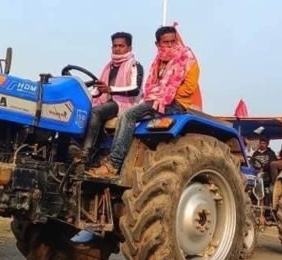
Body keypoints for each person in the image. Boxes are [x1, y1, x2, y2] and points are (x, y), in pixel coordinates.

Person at [86, 25, 199, 178]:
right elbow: (150, 85)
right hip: (155, 100)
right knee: (107, 115)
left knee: (128, 115)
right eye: (166, 42)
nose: (171, 45)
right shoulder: (158, 61)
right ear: (158, 44)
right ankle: (93, 156)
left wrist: (166, 95)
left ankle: (113, 164)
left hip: (175, 103)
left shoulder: (187, 59)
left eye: (173, 41)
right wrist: (157, 94)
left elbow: (189, 87)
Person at [76, 32, 144, 163]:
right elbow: (98, 90)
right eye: (114, 46)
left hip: (123, 103)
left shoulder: (135, 65)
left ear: (129, 48)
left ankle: (86, 152)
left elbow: (135, 89)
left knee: (96, 112)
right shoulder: (109, 66)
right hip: (107, 101)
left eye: (121, 46)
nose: (117, 49)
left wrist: (110, 89)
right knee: (80, 108)